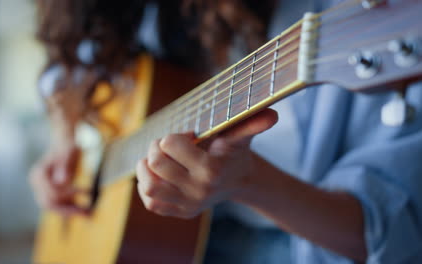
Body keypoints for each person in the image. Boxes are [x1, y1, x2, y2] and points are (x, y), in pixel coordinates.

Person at [30, 0, 422, 263]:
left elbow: (394, 234)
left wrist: (247, 180)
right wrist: (67, 140)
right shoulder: (103, 10)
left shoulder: (333, 14)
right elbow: (66, 70)